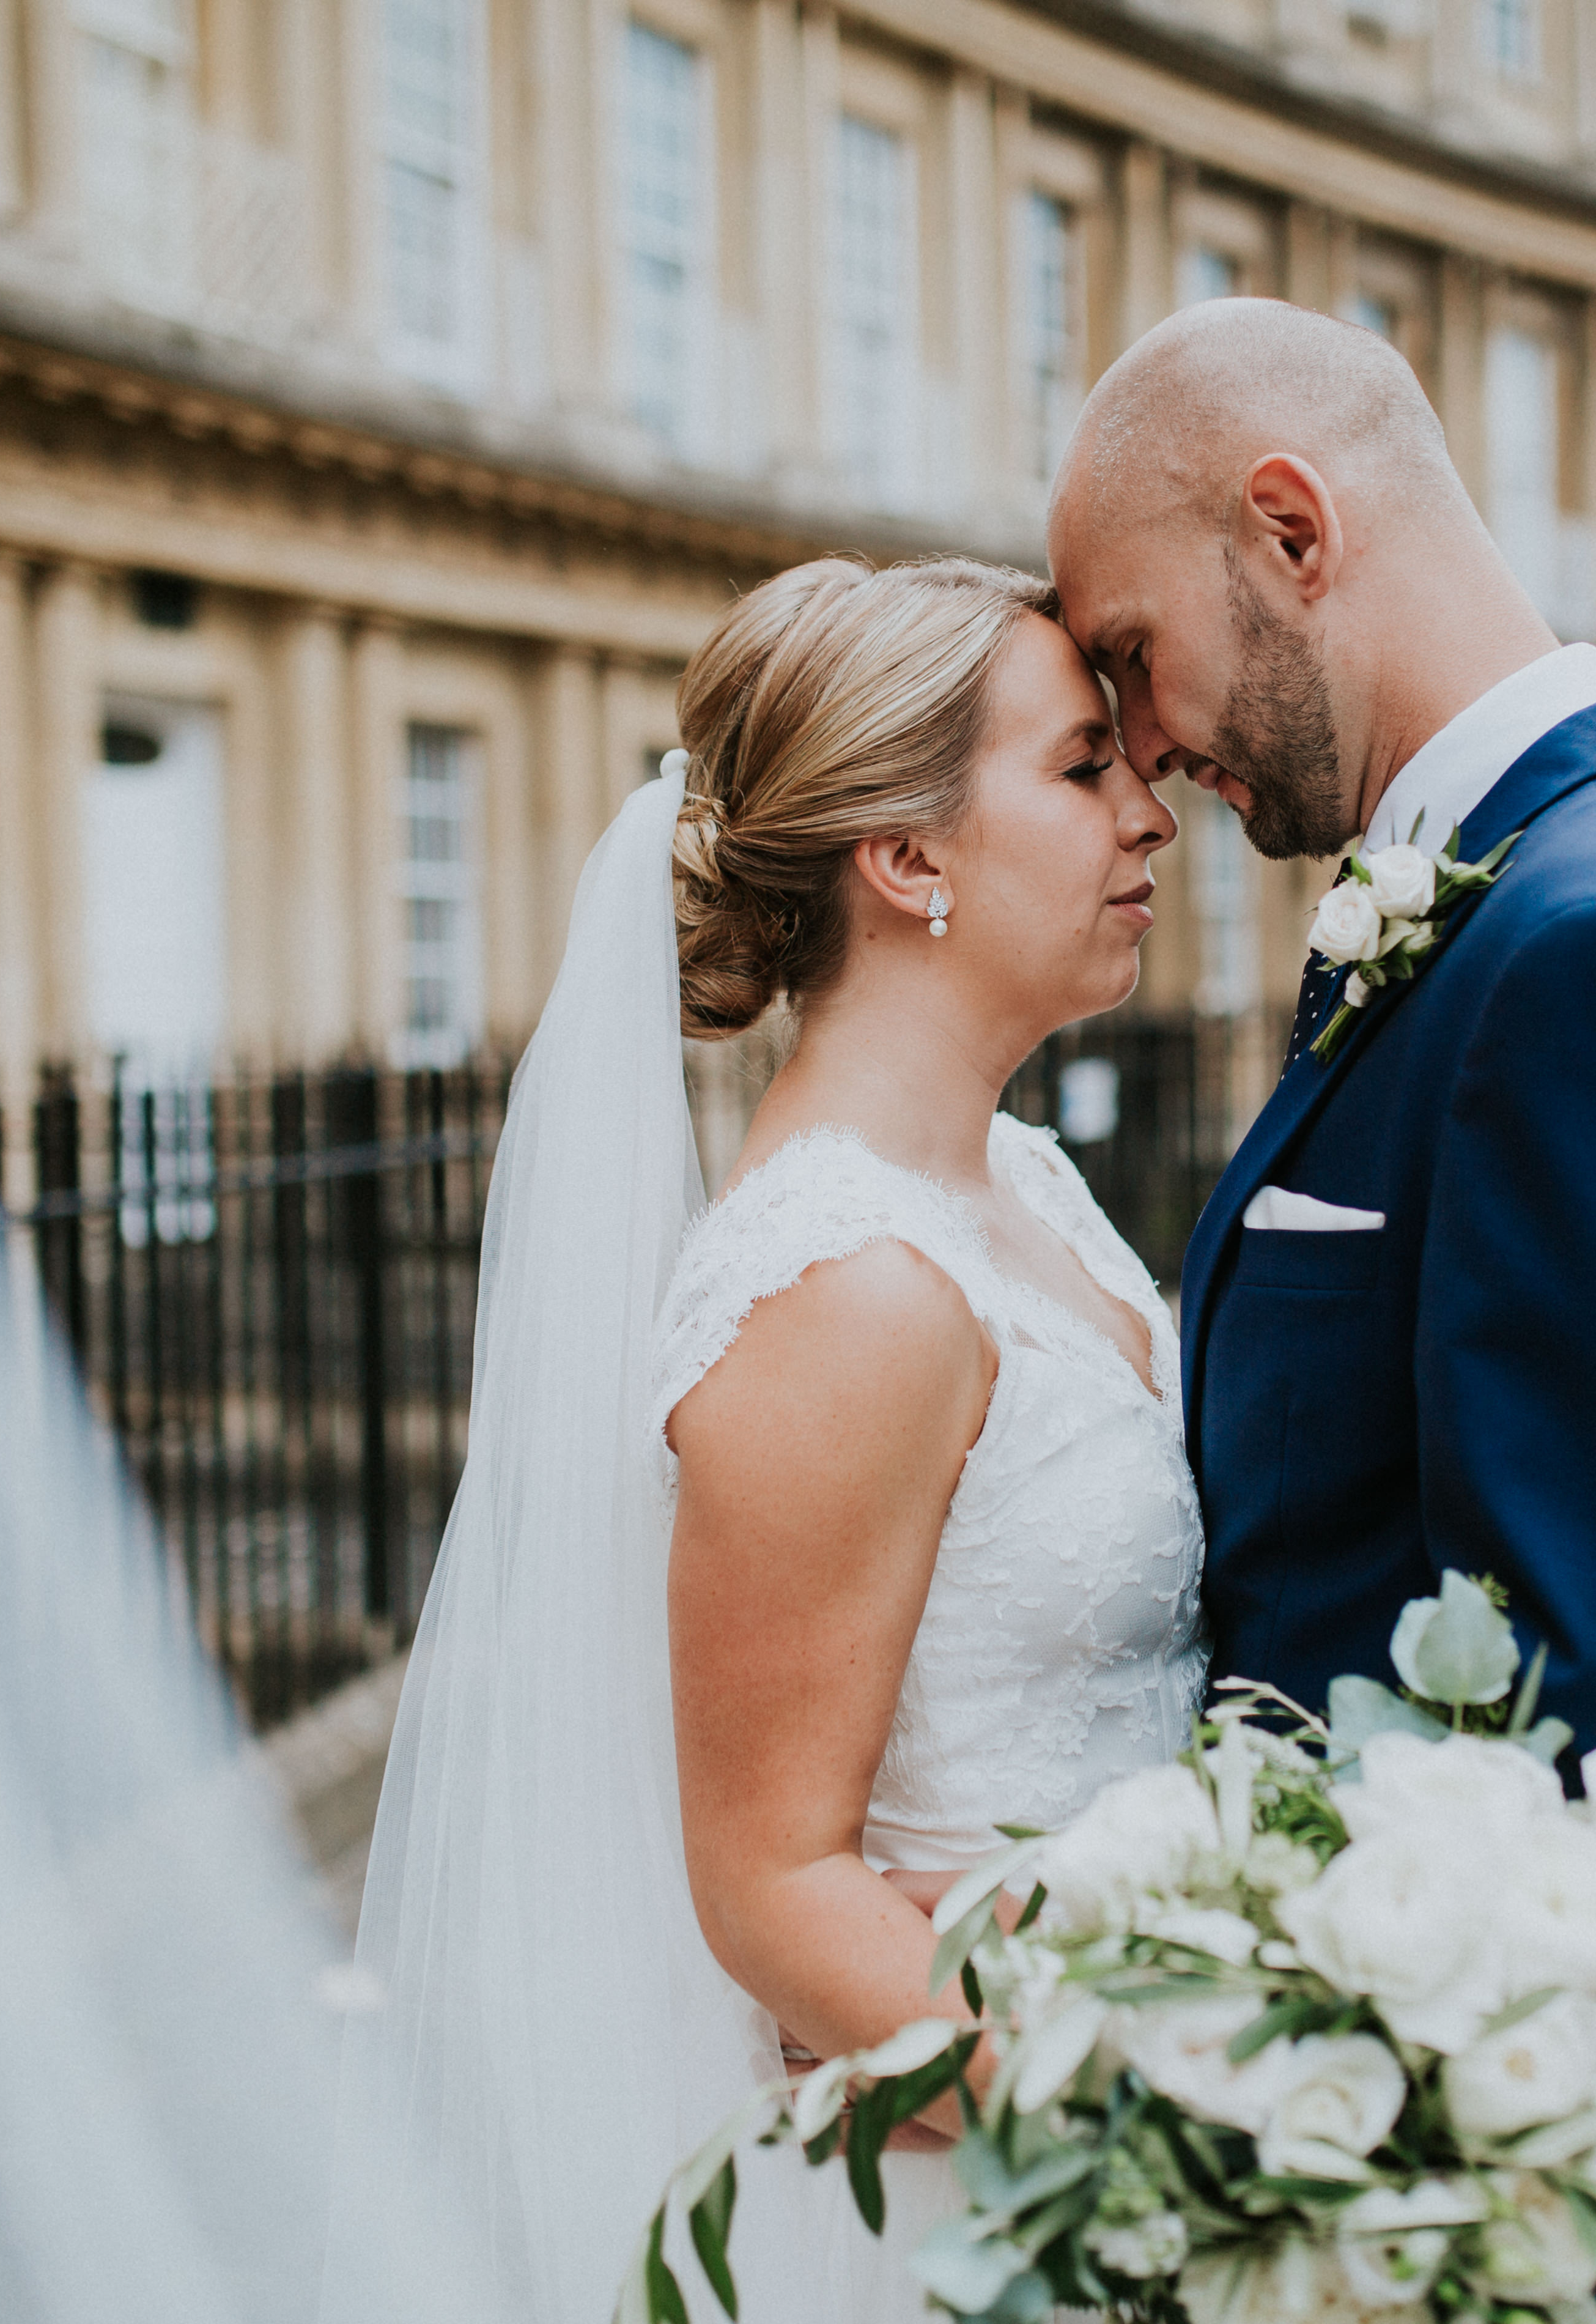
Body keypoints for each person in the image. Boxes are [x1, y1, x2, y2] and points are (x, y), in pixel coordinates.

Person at [1047, 298, 1596, 2322]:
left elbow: (1580, 1733)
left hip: (1533, 2189)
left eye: (1126, 655)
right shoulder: (1583, 885)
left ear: (1288, 529)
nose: (1144, 743)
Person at [322, 555, 1205, 2323]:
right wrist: (1181, 2141)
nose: (1150, 811)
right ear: (905, 860)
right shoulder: (846, 1288)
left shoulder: (1017, 1179)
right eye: (1080, 767)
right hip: (996, 2187)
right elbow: (774, 1890)